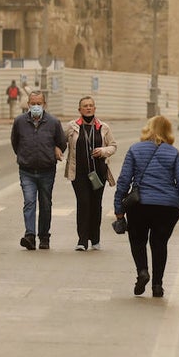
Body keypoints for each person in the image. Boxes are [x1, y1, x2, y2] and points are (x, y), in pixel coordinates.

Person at [113, 115, 179, 298]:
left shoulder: (135, 149)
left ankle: (142, 271)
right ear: (168, 131)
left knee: (138, 240)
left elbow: (124, 180)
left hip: (140, 205)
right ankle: (157, 285)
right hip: (167, 206)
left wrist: (119, 208)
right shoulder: (172, 152)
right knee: (159, 244)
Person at [10, 90, 66, 250]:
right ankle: (29, 235)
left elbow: (62, 142)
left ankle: (44, 237)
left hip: (47, 170)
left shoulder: (53, 122)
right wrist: (24, 156)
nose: (35, 106)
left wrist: (56, 148)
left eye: (38, 104)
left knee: (45, 204)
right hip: (27, 170)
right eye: (33, 104)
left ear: (44, 105)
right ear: (28, 104)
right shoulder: (20, 121)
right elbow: (15, 142)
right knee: (29, 202)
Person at [64, 95, 118, 251]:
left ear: (95, 108)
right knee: (84, 204)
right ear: (79, 109)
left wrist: (103, 150)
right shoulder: (72, 126)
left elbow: (113, 146)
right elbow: (61, 141)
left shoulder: (103, 127)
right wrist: (57, 149)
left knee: (96, 205)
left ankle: (95, 238)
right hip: (79, 174)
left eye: (91, 105)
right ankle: (82, 240)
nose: (88, 108)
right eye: (85, 105)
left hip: (98, 173)